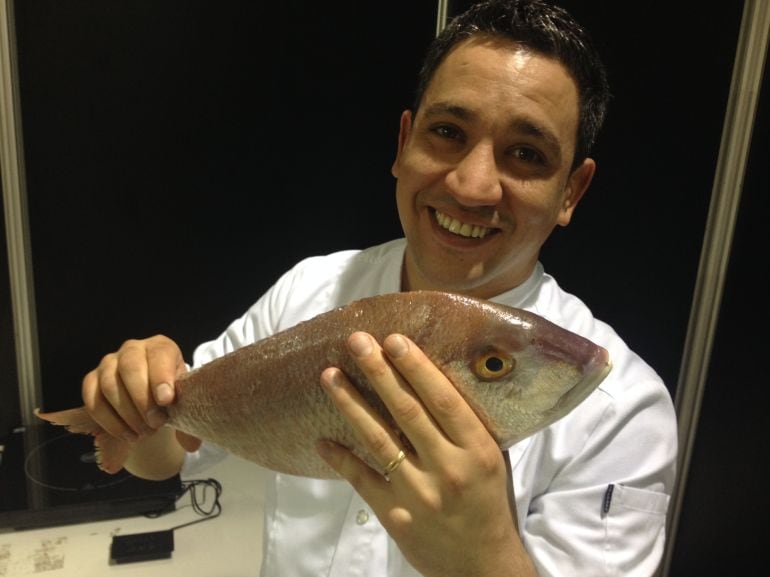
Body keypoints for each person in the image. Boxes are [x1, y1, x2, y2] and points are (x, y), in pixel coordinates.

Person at [80, 1, 677, 575]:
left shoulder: (616, 407)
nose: (472, 186)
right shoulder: (308, 292)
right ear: (403, 144)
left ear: (571, 192)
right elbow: (168, 456)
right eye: (447, 131)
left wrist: (483, 561)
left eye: (525, 153)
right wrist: (137, 408)